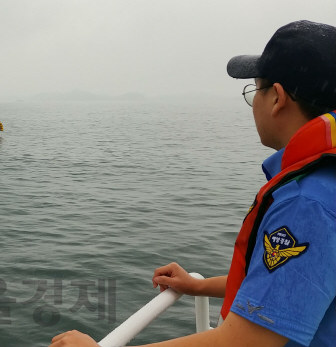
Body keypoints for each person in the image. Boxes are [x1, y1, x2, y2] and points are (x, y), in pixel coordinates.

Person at [50, 20, 336, 347]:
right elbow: (291, 285)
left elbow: (245, 342)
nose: (253, 103)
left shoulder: (306, 202)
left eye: (255, 89)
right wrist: (199, 287)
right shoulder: (324, 183)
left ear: (277, 99)